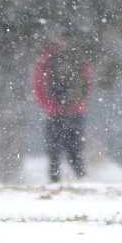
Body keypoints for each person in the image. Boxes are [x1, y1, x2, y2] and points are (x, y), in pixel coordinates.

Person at [33, 33, 93, 183]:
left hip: (54, 114)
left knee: (54, 150)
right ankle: (82, 179)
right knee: (75, 149)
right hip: (76, 112)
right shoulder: (77, 58)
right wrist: (78, 103)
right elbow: (87, 84)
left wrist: (50, 106)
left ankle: (55, 180)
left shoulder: (45, 61)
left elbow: (38, 86)